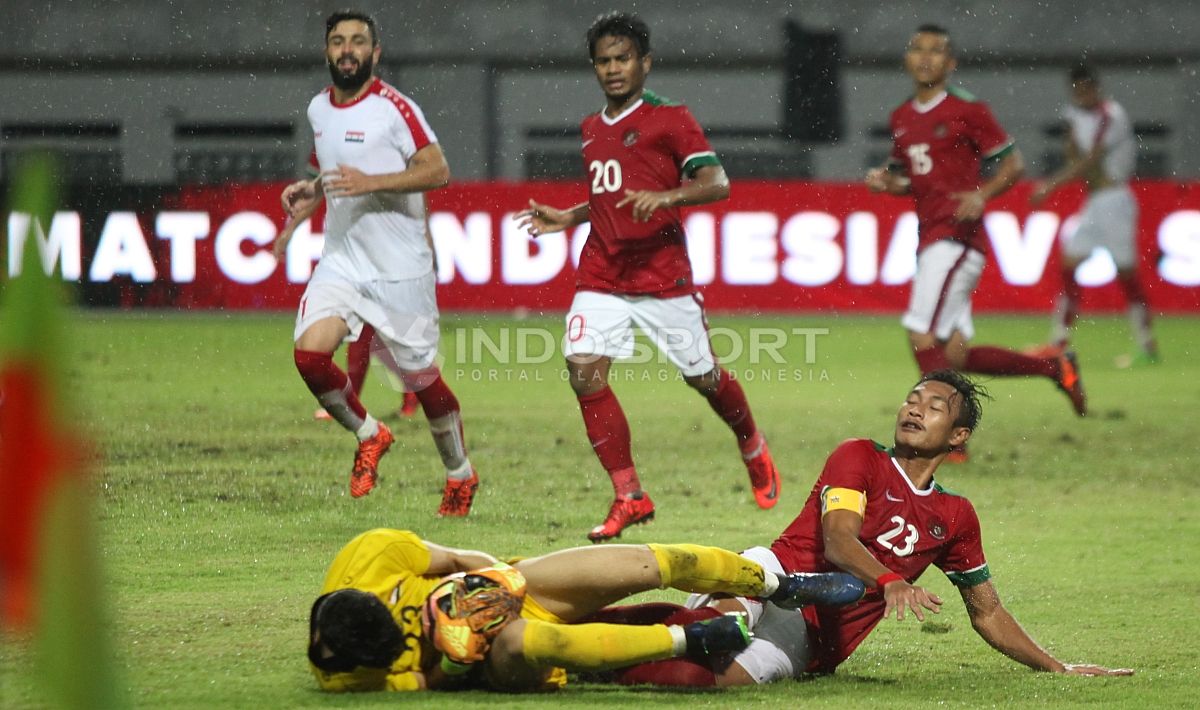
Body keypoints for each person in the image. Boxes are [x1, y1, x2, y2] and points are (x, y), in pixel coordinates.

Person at [597, 370, 1133, 687]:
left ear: (959, 435)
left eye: (935, 407)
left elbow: (987, 613)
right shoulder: (859, 457)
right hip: (775, 574)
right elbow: (837, 538)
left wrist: (1058, 669)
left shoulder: (956, 518)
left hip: (808, 638)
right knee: (717, 627)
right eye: (912, 399)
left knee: (708, 680)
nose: (915, 409)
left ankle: (583, 662)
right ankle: (588, 621)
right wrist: (890, 582)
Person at [515, 12, 780, 541]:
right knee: (583, 371)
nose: (613, 69)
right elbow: (608, 194)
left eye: (623, 58)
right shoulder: (592, 128)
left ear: (644, 63)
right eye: (604, 61)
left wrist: (668, 195)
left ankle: (751, 443)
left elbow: (716, 181)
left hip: (663, 278)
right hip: (602, 273)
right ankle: (629, 495)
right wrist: (571, 217)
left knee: (703, 378)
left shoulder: (671, 118)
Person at [277, 10, 477, 515]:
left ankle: (460, 473)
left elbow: (438, 169)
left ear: (375, 53)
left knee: (424, 383)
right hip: (343, 261)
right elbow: (333, 171)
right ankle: (370, 434)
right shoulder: (318, 109)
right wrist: (311, 194)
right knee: (309, 357)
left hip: (400, 270)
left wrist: (372, 182)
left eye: (358, 41)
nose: (348, 50)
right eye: (339, 41)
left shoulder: (395, 108)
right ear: (327, 51)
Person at [865, 24, 1088, 438]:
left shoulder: (967, 110)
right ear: (907, 59)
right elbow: (911, 180)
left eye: (936, 51)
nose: (926, 57)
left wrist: (982, 194)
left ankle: (943, 437)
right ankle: (1053, 366)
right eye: (918, 49)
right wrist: (885, 182)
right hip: (932, 236)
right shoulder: (901, 117)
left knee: (921, 333)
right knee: (955, 355)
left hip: (957, 238)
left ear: (951, 64)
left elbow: (1013, 165)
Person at [306, 527, 865, 692]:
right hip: (489, 658)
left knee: (650, 563)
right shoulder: (350, 672)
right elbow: (424, 685)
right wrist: (451, 663)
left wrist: (492, 585)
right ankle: (688, 640)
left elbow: (460, 556)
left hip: (499, 591)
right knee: (525, 642)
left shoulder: (370, 554)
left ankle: (775, 581)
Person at [1028, 63, 1159, 369]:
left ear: (1096, 88)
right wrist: (1071, 143)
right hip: (1095, 201)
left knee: (1126, 274)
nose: (1082, 94)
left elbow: (1090, 161)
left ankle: (1147, 345)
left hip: (1115, 200)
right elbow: (1075, 154)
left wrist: (1049, 186)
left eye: (1087, 89)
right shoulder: (1073, 115)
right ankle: (1058, 342)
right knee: (1069, 263)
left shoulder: (1110, 115)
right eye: (1077, 90)